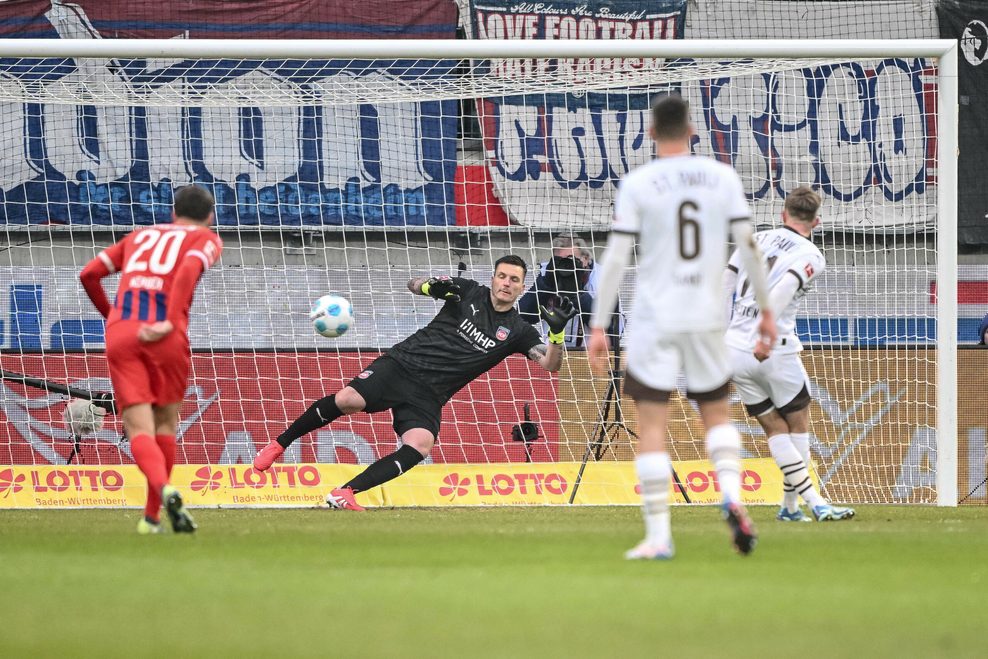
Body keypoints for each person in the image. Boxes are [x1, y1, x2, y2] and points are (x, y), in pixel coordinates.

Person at [588, 94, 777, 560]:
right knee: (716, 412)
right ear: (693, 131)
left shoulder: (639, 182)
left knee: (651, 422)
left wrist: (597, 324)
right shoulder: (722, 178)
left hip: (655, 315)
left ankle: (658, 535)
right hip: (707, 312)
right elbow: (749, 245)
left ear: (651, 134)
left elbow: (616, 257)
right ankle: (731, 494)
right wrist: (767, 310)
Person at [253, 256, 578, 510]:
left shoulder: (519, 331)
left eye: (515, 280)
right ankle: (280, 443)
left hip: (430, 394)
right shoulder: (467, 291)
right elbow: (413, 283)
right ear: (493, 278)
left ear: (522, 288)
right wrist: (430, 286)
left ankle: (345, 492)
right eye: (502, 276)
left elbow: (551, 364)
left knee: (420, 444)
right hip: (402, 365)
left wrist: (558, 334)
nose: (507, 284)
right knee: (348, 399)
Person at [79, 185, 222, 534]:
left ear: (173, 213)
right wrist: (169, 321)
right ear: (210, 215)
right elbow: (188, 269)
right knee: (165, 426)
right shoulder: (206, 239)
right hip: (166, 336)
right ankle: (154, 511)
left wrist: (113, 317)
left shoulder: (140, 236)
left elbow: (88, 274)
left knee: (138, 429)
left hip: (123, 334)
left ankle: (152, 517)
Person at [724, 186, 855, 522]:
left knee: (774, 428)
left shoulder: (754, 239)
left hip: (734, 348)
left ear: (783, 214)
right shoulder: (811, 255)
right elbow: (784, 288)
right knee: (798, 424)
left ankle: (790, 507)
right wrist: (765, 332)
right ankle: (815, 503)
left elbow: (724, 285)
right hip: (774, 349)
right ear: (817, 221)